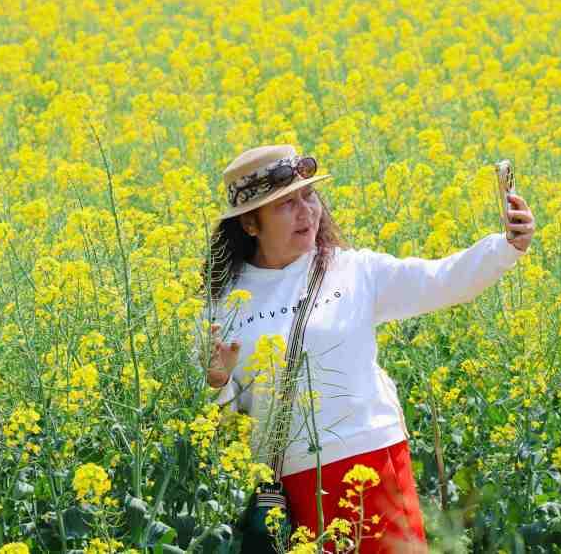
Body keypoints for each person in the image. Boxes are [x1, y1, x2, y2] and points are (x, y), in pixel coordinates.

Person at [191, 144, 535, 553]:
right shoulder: (221, 306)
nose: (307, 212)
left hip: (371, 458)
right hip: (288, 481)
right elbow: (222, 424)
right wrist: (217, 380)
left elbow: (442, 279)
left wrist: (507, 246)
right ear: (250, 223)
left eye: (309, 196)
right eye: (286, 204)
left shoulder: (352, 270)